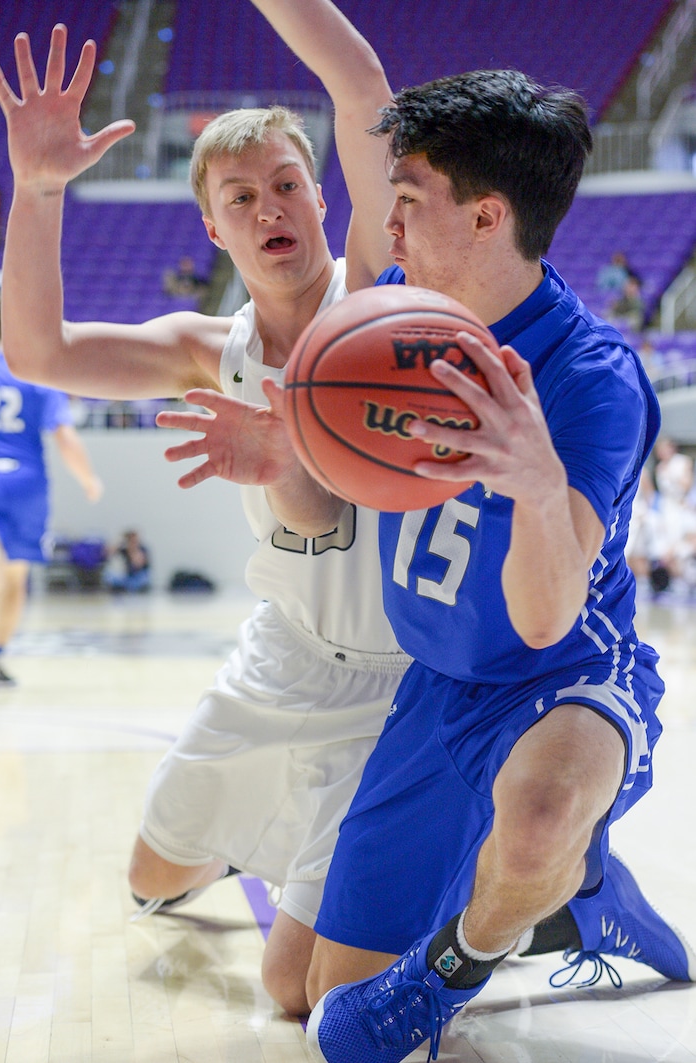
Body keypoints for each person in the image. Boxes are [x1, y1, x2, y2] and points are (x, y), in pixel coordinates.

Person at [199, 37, 695, 1062]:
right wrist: (286, 439)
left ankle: (467, 954)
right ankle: (569, 892)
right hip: (435, 688)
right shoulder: (394, 314)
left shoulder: (591, 378)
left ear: (484, 215)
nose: (385, 221)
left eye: (408, 197)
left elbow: (549, 614)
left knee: (540, 811)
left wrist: (528, 475)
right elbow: (352, 458)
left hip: (558, 677)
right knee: (303, 992)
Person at [0, 5, 403, 1016]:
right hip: (283, 653)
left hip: (397, 677)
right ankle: (245, 847)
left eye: (286, 184)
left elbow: (360, 87)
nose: (271, 207)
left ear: (322, 198)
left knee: (296, 993)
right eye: (241, 196)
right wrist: (39, 190)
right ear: (212, 227)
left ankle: (486, 891)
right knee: (151, 879)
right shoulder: (201, 345)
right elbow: (37, 354)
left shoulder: (382, 297)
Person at [0, 334, 103, 685]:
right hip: (26, 484)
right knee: (15, 577)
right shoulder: (34, 372)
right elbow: (65, 437)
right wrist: (89, 479)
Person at [103, 529, 152, 593]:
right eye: (131, 540)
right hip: (126, 577)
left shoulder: (142, 549)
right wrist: (120, 539)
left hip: (138, 577)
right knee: (110, 575)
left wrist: (133, 550)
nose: (133, 542)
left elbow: (137, 564)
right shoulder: (124, 550)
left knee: (141, 580)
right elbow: (108, 553)